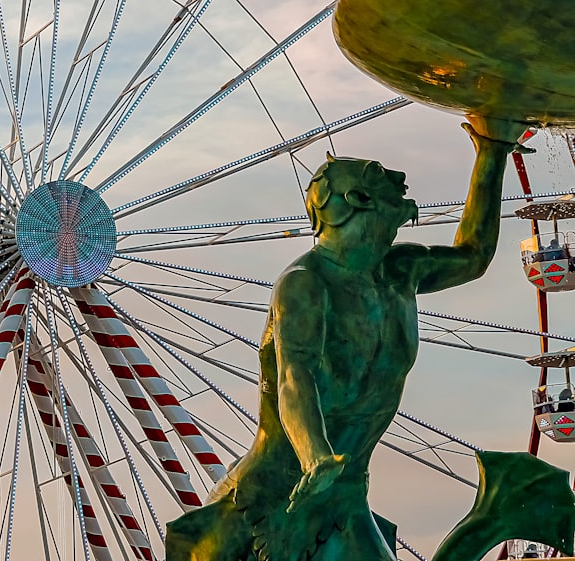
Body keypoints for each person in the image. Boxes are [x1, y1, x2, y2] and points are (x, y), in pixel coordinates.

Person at [166, 116, 530, 561]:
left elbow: (473, 256)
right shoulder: (304, 283)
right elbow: (293, 376)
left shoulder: (401, 272)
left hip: (345, 493)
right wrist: (314, 454)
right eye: (381, 180)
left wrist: (491, 152)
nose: (400, 183)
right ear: (352, 202)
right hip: (274, 496)